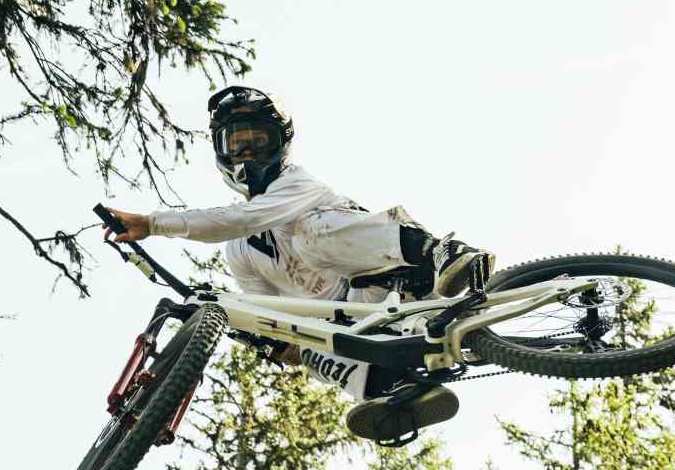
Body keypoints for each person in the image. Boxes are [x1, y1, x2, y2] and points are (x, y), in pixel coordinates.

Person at [106, 85, 495, 442]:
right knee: (310, 346)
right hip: (359, 321)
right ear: (222, 152)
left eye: (259, 141)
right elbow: (266, 310)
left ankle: (441, 252)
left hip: (396, 279)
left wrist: (152, 223)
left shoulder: (296, 184)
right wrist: (280, 343)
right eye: (237, 144)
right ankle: (399, 392)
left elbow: (241, 219)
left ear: (281, 143)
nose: (248, 153)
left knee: (307, 236)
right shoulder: (241, 253)